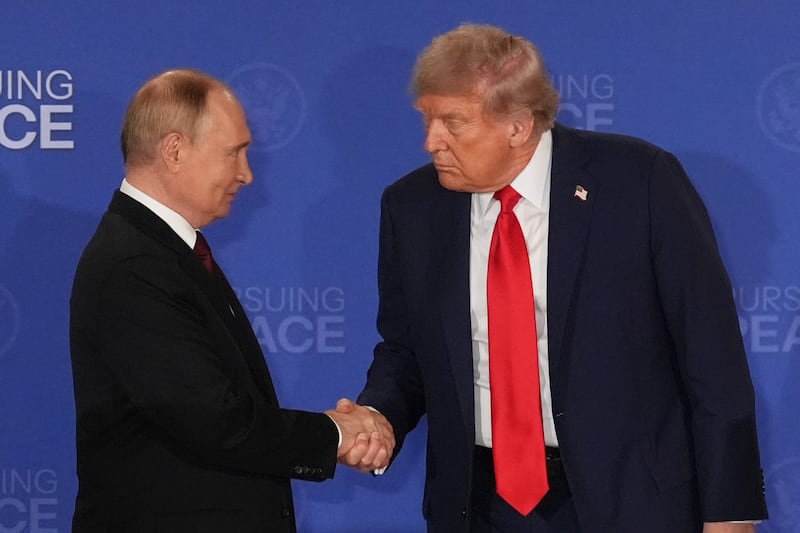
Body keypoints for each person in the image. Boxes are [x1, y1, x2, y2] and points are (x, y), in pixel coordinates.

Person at [340, 24, 768, 532]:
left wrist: (731, 514)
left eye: (453, 122)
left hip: (630, 502)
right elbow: (405, 349)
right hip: (479, 505)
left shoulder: (639, 181)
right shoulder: (411, 207)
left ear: (518, 126)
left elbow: (712, 358)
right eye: (427, 119)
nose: (431, 141)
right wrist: (380, 417)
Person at [69, 68, 393, 533]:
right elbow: (214, 420)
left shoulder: (167, 250)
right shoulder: (134, 265)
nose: (247, 173)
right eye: (234, 153)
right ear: (175, 151)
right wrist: (337, 434)